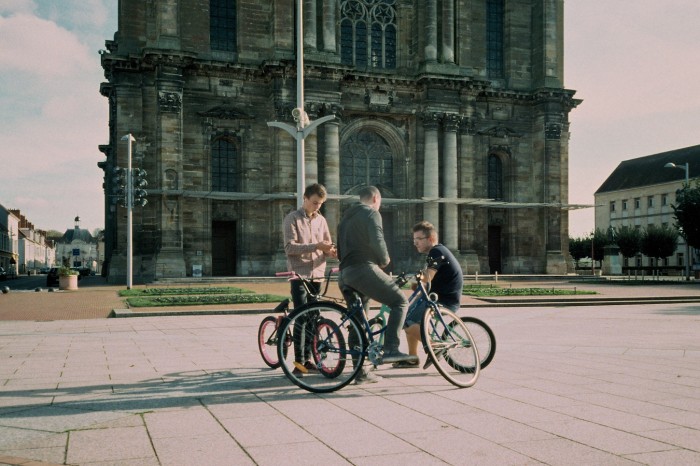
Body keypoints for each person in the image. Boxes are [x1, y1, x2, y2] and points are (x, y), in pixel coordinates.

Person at [337, 185, 418, 383]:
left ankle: (360, 373)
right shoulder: (371, 213)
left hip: (345, 273)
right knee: (400, 302)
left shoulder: (345, 218)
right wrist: (384, 260)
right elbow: (377, 239)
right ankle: (391, 348)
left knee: (358, 322)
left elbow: (340, 250)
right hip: (363, 268)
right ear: (375, 199)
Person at [393, 220, 463, 369]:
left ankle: (434, 346)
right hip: (440, 297)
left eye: (418, 239)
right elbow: (428, 279)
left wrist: (418, 278)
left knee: (406, 322)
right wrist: (416, 284)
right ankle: (413, 357)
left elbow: (428, 276)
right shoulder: (438, 251)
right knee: (409, 315)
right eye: (414, 240)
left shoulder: (437, 251)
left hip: (443, 301)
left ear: (430, 239)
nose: (415, 243)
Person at [283, 183, 337, 376]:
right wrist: (317, 246)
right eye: (315, 202)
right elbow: (290, 248)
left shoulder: (321, 220)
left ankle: (310, 358)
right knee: (301, 317)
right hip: (299, 274)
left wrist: (332, 251)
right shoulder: (292, 218)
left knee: (314, 317)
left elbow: (327, 245)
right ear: (305, 198)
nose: (317, 207)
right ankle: (299, 362)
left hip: (318, 273)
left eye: (320, 204)